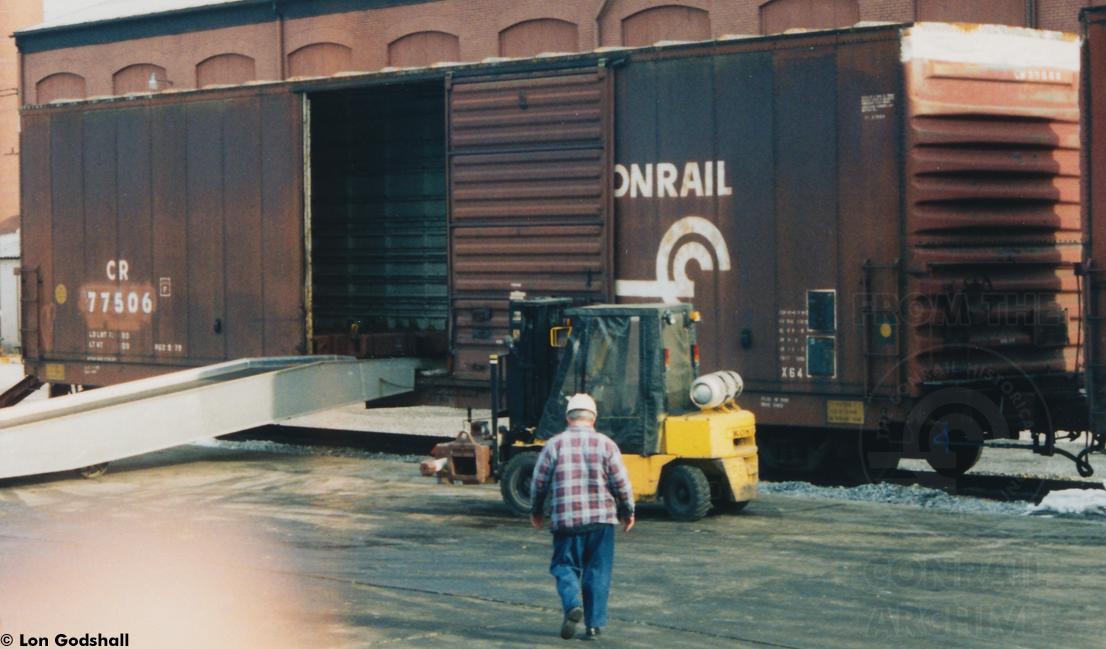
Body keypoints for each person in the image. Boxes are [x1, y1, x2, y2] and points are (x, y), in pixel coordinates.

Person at [530, 393, 635, 641]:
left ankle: (572, 604)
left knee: (564, 566)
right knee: (597, 572)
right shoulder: (607, 445)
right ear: (594, 418)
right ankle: (593, 626)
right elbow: (621, 483)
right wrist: (627, 511)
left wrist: (536, 510)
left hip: (566, 521)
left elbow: (539, 482)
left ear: (568, 418)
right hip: (601, 521)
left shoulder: (554, 445)